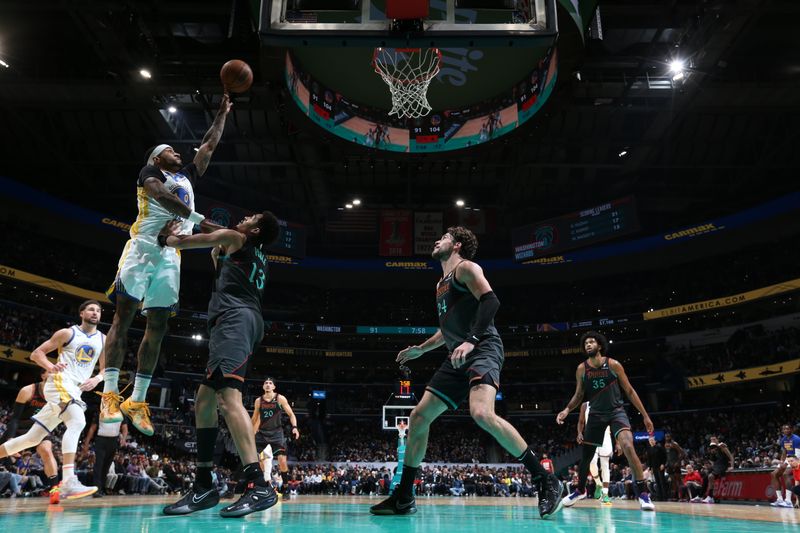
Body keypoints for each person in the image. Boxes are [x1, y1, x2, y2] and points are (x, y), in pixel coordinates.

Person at [369, 227, 564, 519]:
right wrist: (421, 349)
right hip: (457, 354)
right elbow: (446, 330)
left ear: (457, 244)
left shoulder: (467, 268)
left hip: (483, 347)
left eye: (444, 237)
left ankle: (545, 479)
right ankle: (404, 496)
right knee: (418, 417)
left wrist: (471, 340)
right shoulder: (441, 284)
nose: (437, 241)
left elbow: (491, 301)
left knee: (481, 413)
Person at [100, 94, 232, 436]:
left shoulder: (187, 176)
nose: (179, 153)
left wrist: (222, 112)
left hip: (171, 256)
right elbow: (162, 197)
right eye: (172, 150)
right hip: (143, 248)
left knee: (158, 325)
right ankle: (110, 395)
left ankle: (137, 401)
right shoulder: (150, 173)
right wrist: (201, 220)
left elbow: (208, 146)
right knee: (124, 316)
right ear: (159, 157)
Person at [160, 211, 282, 518]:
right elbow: (219, 260)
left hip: (235, 321)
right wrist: (216, 250)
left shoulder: (236, 238)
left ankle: (259, 485)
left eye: (250, 216)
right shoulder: (253, 253)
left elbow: (187, 242)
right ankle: (204, 485)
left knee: (229, 399)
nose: (244, 215)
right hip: (237, 319)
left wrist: (164, 237)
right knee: (204, 399)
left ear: (254, 229)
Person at [0, 300, 105, 500]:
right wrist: (50, 366)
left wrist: (97, 379)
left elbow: (106, 368)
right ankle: (68, 481)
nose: (95, 313)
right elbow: (36, 354)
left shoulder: (103, 339)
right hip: (59, 383)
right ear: (81, 313)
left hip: (75, 389)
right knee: (77, 421)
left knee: (32, 439)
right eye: (91, 309)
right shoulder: (67, 333)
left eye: (99, 310)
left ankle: (67, 481)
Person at [556, 331, 655, 511]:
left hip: (616, 411)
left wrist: (645, 415)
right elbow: (579, 395)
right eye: (585, 343)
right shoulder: (581, 369)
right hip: (596, 414)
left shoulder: (613, 365)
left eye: (592, 342)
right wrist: (567, 409)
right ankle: (580, 490)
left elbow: (630, 391)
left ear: (599, 346)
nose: (588, 344)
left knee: (627, 445)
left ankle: (643, 493)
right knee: (586, 457)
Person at [0, 368, 59, 490]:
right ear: (43, 375)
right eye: (51, 371)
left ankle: (55, 490)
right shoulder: (27, 391)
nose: (55, 373)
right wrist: (10, 438)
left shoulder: (58, 395)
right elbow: (15, 418)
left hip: (40, 427)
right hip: (20, 428)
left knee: (47, 450)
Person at [252, 377, 299, 489]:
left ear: (274, 387)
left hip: (276, 434)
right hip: (262, 434)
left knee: (282, 461)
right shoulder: (258, 401)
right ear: (263, 386)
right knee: (260, 461)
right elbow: (254, 418)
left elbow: (291, 414)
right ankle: (265, 486)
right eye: (266, 383)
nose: (268, 384)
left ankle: (286, 486)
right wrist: (250, 430)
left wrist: (295, 427)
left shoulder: (280, 398)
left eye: (270, 383)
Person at [81, 398, 129, 497]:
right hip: (101, 440)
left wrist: (123, 439)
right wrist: (86, 444)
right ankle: (96, 490)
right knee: (98, 465)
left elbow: (125, 428)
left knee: (106, 466)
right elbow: (92, 429)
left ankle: (101, 488)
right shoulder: (101, 412)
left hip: (113, 441)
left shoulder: (121, 414)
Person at [576, 401, 613, 505]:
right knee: (591, 462)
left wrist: (618, 442)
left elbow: (614, 422)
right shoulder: (585, 405)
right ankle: (598, 483)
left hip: (605, 435)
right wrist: (579, 433)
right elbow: (581, 421)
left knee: (605, 464)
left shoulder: (607, 403)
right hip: (591, 434)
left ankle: (605, 494)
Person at [771, 424, 799, 508]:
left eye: (787, 429)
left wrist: (786, 463)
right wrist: (781, 463)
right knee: (774, 474)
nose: (785, 430)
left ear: (791, 429)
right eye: (784, 429)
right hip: (788, 458)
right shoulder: (783, 440)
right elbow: (784, 453)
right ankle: (780, 500)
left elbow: (797, 455)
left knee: (785, 474)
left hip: (797, 459)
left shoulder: (797, 439)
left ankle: (788, 501)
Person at [702, 435, 733, 504]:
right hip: (717, 466)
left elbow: (731, 456)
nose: (713, 440)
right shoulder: (713, 449)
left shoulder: (722, 446)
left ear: (717, 440)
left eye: (714, 439)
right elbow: (713, 461)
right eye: (711, 440)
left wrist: (732, 466)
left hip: (723, 465)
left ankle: (710, 497)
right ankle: (701, 496)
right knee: (705, 477)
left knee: (710, 476)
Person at [664, 432, 686, 500]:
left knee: (678, 480)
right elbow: (667, 455)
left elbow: (682, 453)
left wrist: (678, 462)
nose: (667, 438)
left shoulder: (674, 444)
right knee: (673, 481)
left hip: (675, 464)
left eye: (668, 436)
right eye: (666, 436)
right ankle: (675, 496)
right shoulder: (665, 444)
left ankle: (682, 496)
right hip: (669, 465)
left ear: (671, 437)